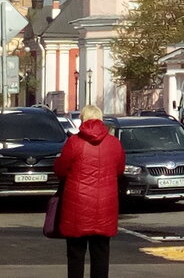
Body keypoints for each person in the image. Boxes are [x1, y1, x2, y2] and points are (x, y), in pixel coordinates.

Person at [52, 104, 125, 278]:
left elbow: (60, 170)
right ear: (101, 119)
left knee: (76, 255)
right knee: (101, 254)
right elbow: (119, 170)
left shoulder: (74, 143)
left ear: (82, 119)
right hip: (105, 207)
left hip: (77, 207)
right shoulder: (114, 144)